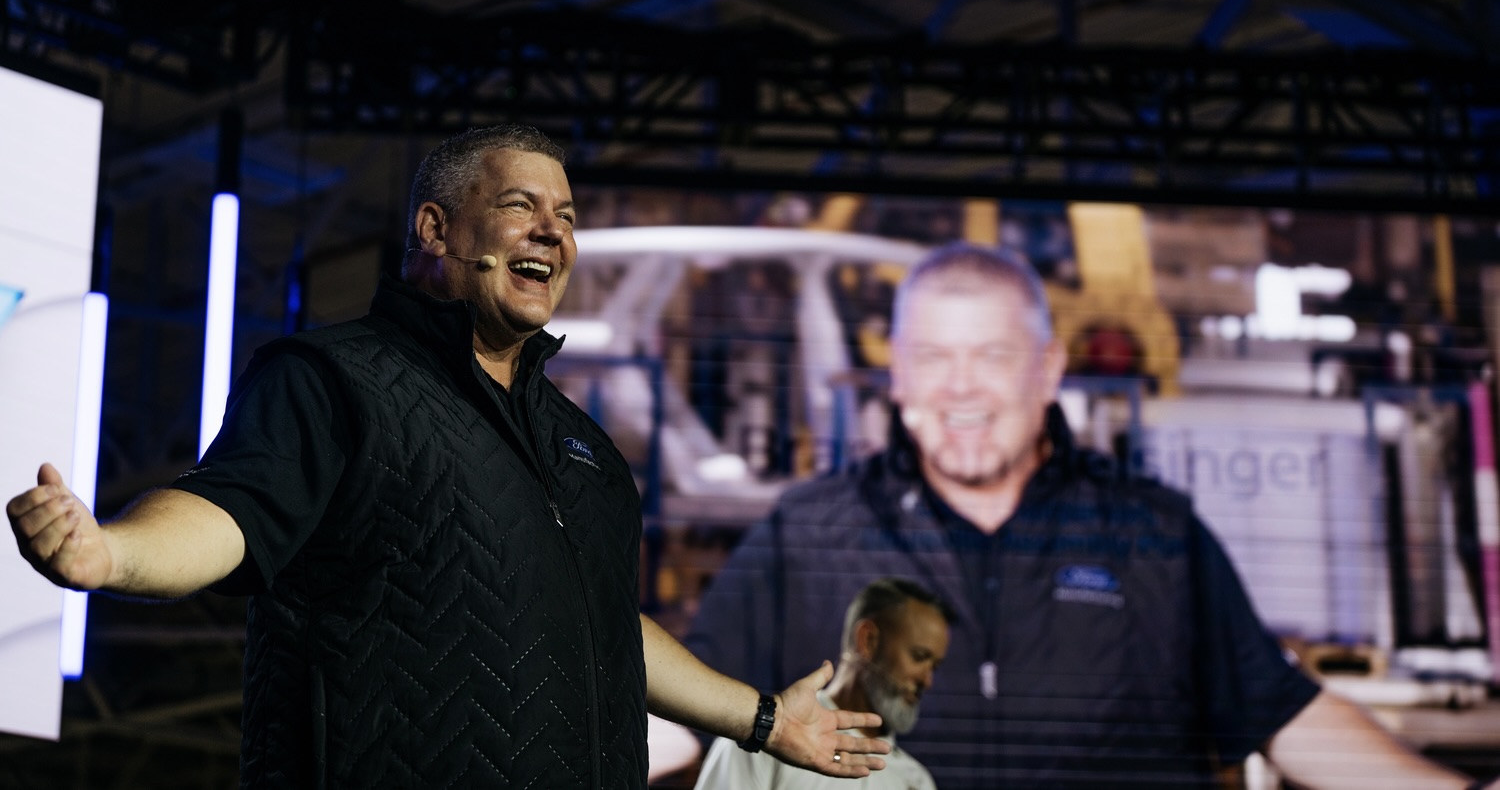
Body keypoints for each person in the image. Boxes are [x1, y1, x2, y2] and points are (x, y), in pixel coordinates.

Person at [6, 125, 888, 788]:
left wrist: (765, 719)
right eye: (521, 207)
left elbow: (607, 634)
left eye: (567, 218)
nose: (553, 232)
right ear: (435, 229)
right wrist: (112, 552)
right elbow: (230, 510)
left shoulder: (586, 451)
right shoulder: (334, 378)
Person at [686, 241, 1494, 789]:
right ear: (896, 377)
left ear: (1048, 371)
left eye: (992, 357)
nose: (958, 389)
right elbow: (678, 709)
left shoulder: (1151, 535)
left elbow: (1283, 716)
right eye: (933, 358)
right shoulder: (811, 532)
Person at [694, 577, 951, 790]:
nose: (927, 680)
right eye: (919, 657)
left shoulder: (917, 782)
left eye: (935, 666)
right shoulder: (765, 732)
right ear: (868, 640)